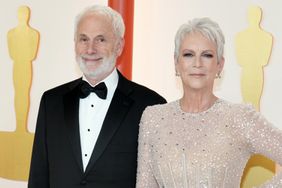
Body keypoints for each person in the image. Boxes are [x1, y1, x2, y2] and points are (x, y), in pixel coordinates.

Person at [28, 5, 166, 188]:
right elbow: (39, 177)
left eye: (101, 40)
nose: (90, 49)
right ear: (74, 44)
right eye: (83, 39)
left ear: (119, 46)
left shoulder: (151, 105)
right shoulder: (51, 101)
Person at [136, 17, 282, 188]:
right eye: (188, 55)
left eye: (207, 55)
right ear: (176, 63)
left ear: (219, 65)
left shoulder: (239, 117)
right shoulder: (153, 118)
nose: (197, 63)